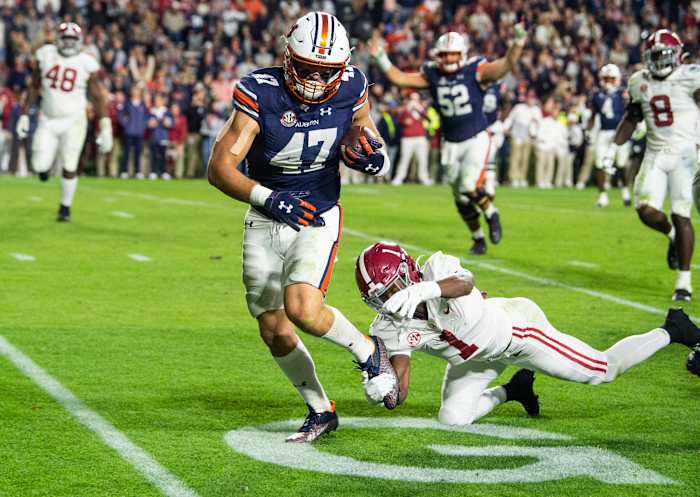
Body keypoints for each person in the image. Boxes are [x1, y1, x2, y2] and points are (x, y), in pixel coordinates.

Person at [207, 12, 396, 443]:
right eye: (307, 66)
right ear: (287, 55)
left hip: (318, 210)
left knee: (303, 308)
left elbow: (363, 127)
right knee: (273, 328)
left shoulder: (352, 85)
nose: (314, 78)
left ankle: (370, 352)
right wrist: (269, 198)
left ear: (341, 69)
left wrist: (370, 150)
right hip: (267, 211)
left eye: (325, 71)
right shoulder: (261, 92)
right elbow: (220, 168)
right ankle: (320, 409)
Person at [354, 241, 700, 424]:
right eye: (379, 297)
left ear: (408, 272)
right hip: (472, 360)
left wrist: (424, 290)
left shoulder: (436, 269)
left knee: (601, 371)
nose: (388, 300)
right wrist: (381, 388)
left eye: (391, 288)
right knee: (452, 418)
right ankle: (513, 389)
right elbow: (399, 394)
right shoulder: (389, 324)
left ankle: (672, 329)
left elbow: (465, 283)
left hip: (517, 332)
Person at [370, 27, 526, 255]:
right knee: (460, 197)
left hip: (476, 137)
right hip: (451, 142)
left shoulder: (476, 70)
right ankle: (478, 238)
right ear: (438, 55)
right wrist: (382, 58)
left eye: (453, 54)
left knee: (468, 185)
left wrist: (518, 41)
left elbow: (505, 64)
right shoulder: (433, 74)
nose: (449, 59)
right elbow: (400, 78)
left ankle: (491, 212)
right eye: (444, 54)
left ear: (462, 54)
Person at [604, 29, 700, 302]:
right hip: (655, 153)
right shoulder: (638, 81)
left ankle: (684, 282)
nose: (659, 61)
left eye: (664, 55)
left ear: (678, 55)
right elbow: (633, 116)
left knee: (682, 213)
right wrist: (613, 146)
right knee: (645, 210)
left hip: (685, 155)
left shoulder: (691, 77)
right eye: (654, 56)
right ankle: (671, 235)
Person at [15, 22, 112, 222]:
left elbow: (97, 96)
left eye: (72, 40)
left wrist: (105, 125)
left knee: (70, 164)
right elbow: (34, 86)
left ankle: (65, 207)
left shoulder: (86, 62)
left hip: (74, 120)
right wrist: (25, 114)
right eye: (65, 39)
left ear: (79, 41)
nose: (68, 44)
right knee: (39, 164)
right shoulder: (45, 54)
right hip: (48, 118)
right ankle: (44, 171)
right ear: (58, 39)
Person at [588, 64, 631, 207]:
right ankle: (602, 196)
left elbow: (631, 114)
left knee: (621, 164)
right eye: (606, 78)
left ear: (617, 79)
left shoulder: (623, 94)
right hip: (603, 132)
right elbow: (593, 115)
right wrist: (588, 131)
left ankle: (625, 191)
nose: (608, 82)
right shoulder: (596, 94)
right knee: (599, 164)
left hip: (620, 132)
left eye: (611, 79)